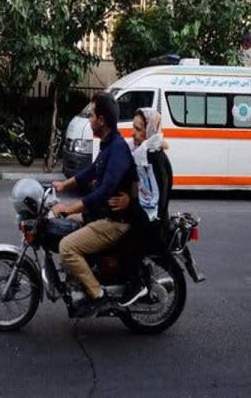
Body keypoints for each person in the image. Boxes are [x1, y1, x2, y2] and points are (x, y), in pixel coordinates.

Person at [52, 92, 134, 317]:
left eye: (92, 116)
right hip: (102, 215)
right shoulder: (108, 144)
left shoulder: (117, 148)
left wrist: (70, 207)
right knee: (60, 222)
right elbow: (90, 172)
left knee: (67, 247)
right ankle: (82, 278)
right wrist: (63, 185)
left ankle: (98, 295)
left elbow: (105, 190)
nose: (89, 120)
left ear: (102, 121)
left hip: (113, 222)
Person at [108, 107, 173, 306]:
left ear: (149, 131)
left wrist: (129, 203)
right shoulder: (143, 152)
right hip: (144, 213)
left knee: (120, 239)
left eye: (138, 129)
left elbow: (153, 201)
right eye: (133, 128)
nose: (133, 133)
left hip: (152, 221)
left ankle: (137, 283)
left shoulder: (153, 158)